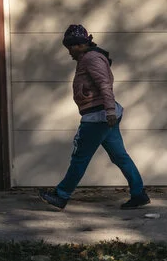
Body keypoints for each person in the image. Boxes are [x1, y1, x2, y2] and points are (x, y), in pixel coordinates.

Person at [38, 25, 151, 210]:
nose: (69, 52)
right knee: (120, 157)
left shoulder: (91, 59)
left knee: (80, 158)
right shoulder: (89, 58)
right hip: (103, 116)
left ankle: (61, 195)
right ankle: (138, 194)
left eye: (71, 47)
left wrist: (109, 112)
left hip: (98, 117)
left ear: (81, 44)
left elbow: (105, 85)